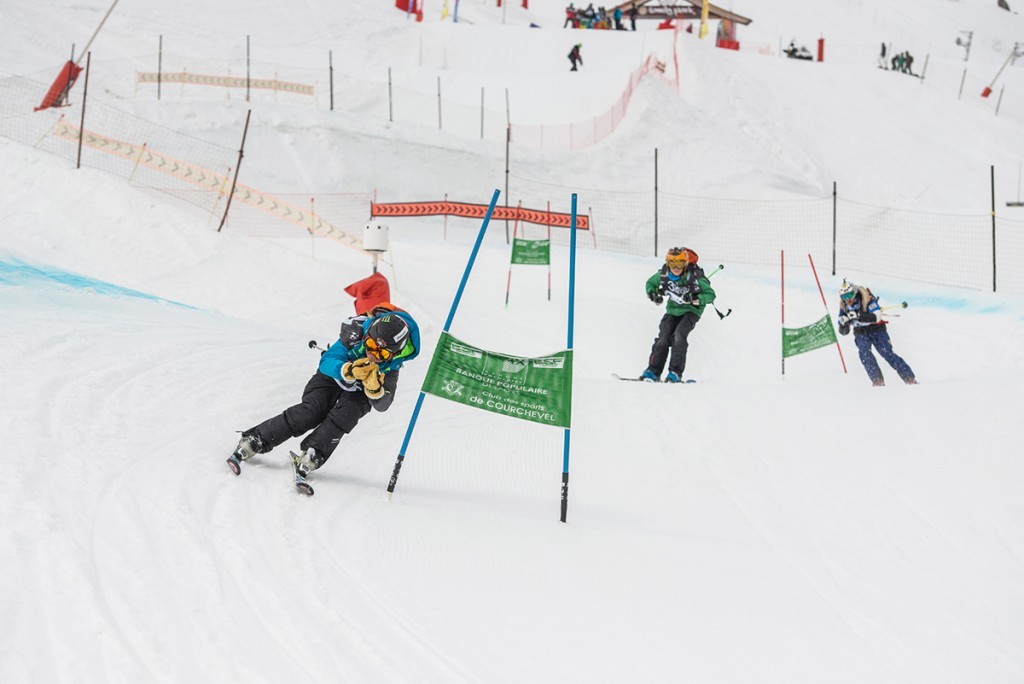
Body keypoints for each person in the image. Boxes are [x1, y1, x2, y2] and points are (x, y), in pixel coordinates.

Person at [229, 304, 421, 480]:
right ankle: (257, 438)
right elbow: (328, 360)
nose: (372, 354)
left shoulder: (393, 364)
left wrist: (375, 391)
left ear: (395, 353)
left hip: (360, 391)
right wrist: (347, 370)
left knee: (345, 415)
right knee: (312, 410)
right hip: (334, 376)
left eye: (382, 354)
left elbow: (384, 404)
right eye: (370, 345)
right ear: (368, 334)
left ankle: (314, 453)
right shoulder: (356, 333)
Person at [640, 247, 716, 382]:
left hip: (692, 311)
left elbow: (710, 295)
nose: (676, 267)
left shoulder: (694, 277)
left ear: (685, 263)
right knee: (663, 338)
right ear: (667, 263)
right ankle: (653, 371)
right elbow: (650, 283)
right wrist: (653, 295)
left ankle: (675, 372)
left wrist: (694, 299)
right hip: (673, 310)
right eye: (672, 263)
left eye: (680, 263)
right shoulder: (663, 275)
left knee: (679, 336)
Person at [837, 280, 916, 386]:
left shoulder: (866, 299)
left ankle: (909, 378)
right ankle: (877, 381)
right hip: (860, 333)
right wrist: (844, 323)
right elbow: (843, 331)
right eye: (844, 296)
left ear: (855, 292)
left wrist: (859, 316)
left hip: (876, 330)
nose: (848, 299)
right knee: (865, 354)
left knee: (887, 353)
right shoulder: (844, 306)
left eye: (850, 295)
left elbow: (877, 316)